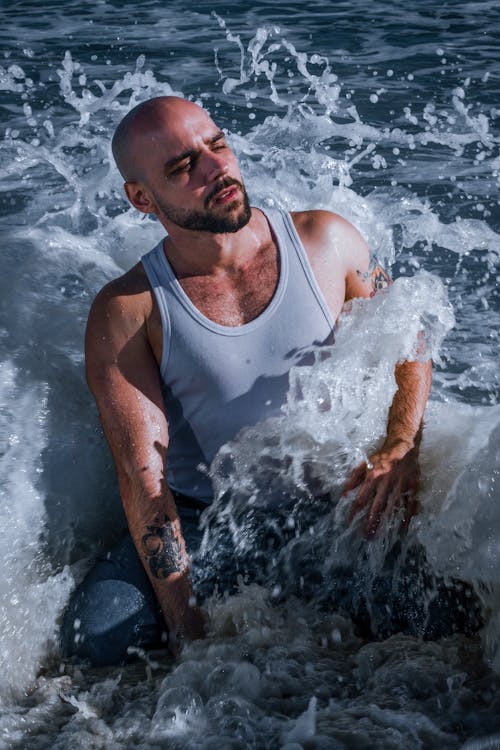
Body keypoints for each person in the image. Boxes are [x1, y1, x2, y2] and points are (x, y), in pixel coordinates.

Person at [61, 95, 433, 666]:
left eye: (217, 145)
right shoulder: (130, 311)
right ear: (141, 198)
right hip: (207, 522)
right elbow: (143, 478)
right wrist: (185, 624)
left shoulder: (325, 243)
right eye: (184, 167)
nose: (217, 169)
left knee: (446, 621)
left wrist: (401, 441)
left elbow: (410, 335)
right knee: (96, 641)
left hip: (332, 506)